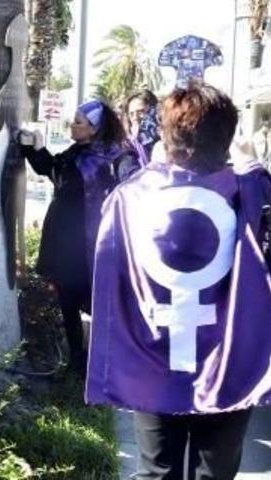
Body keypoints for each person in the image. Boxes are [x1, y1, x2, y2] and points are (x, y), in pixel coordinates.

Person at [87, 83, 271, 479]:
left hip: (154, 353)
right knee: (216, 471)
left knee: (156, 469)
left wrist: (154, 168)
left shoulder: (132, 196)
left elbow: (106, 254)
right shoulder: (250, 192)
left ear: (168, 137)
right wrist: (254, 167)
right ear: (227, 137)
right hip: (229, 358)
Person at [17, 100, 129, 370]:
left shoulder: (106, 157)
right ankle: (78, 361)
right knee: (67, 298)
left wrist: (38, 151)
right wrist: (34, 148)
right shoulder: (80, 151)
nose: (72, 124)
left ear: (93, 129)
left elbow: (64, 180)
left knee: (90, 300)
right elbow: (55, 170)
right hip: (69, 237)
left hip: (86, 242)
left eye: (79, 121)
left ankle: (100, 362)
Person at [125, 89, 161, 169]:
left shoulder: (169, 140)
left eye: (140, 112)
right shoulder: (128, 147)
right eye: (131, 114)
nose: (135, 118)